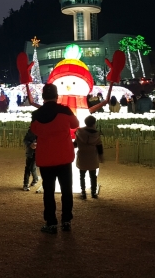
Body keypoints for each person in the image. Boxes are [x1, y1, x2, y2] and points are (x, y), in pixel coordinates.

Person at [30, 83, 79, 234]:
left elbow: (34, 130)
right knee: (66, 189)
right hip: (64, 156)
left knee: (48, 191)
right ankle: (66, 220)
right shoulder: (65, 110)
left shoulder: (37, 114)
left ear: (43, 97)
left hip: (45, 158)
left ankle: (51, 222)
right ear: (57, 96)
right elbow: (75, 124)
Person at [75, 115, 104, 200]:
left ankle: (83, 192)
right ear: (94, 123)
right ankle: (93, 193)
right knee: (93, 176)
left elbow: (75, 144)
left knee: (82, 176)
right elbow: (99, 146)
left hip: (82, 155)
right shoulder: (96, 134)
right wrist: (101, 157)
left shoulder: (79, 132)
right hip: (92, 157)